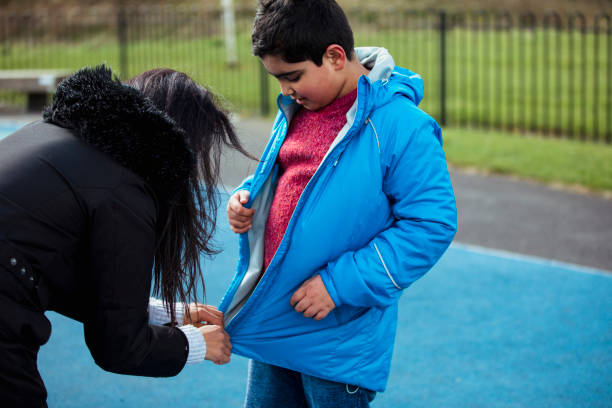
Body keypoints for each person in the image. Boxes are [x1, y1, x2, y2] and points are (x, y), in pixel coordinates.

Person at [222, 0, 458, 407]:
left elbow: (430, 224)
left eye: (292, 76)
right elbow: (297, 178)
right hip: (277, 320)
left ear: (334, 56)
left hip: (337, 336)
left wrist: (338, 284)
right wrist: (249, 196)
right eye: (277, 79)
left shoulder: (402, 125)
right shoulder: (301, 106)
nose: (285, 90)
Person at [0, 65, 249, 407]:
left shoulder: (56, 136)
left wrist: (165, 313)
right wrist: (197, 344)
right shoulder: (125, 188)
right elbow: (118, 346)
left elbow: (51, 267)